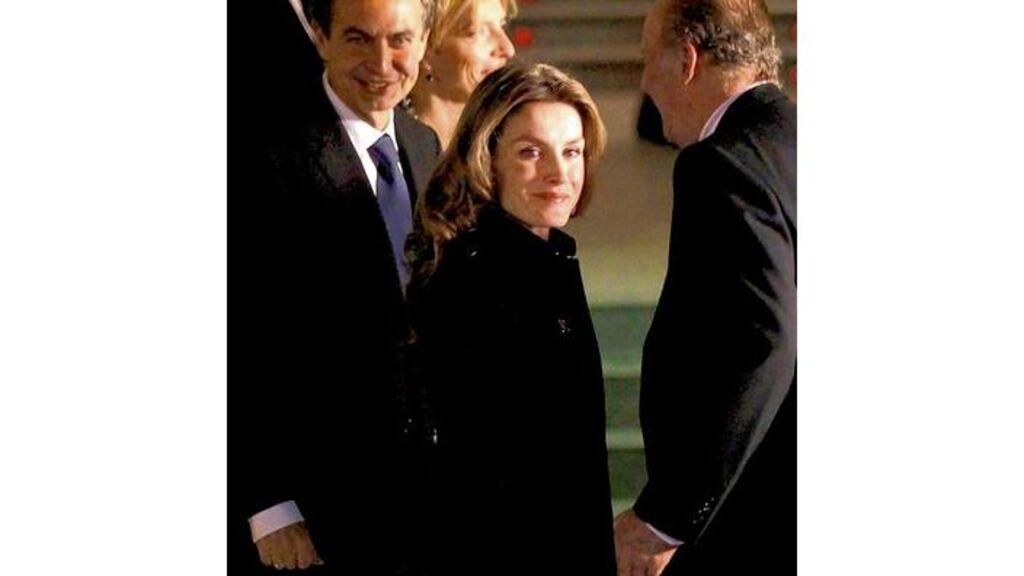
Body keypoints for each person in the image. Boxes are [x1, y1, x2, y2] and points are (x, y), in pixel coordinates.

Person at [230, 0, 441, 573]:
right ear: (321, 37)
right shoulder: (262, 163)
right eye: (358, 39)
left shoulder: (424, 148)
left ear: (424, 43)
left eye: (399, 39)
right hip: (316, 514)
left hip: (419, 502)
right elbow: (239, 338)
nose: (381, 61)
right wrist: (268, 503)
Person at [407, 62, 616, 576]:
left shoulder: (549, 257)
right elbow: (482, 481)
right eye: (530, 152)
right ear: (488, 159)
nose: (558, 174)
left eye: (571, 152)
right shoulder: (472, 277)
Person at [613, 1, 797, 575]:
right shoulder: (796, 140)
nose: (644, 82)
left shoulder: (721, 164)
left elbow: (764, 338)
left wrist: (667, 518)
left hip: (754, 515)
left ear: (687, 60)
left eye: (648, 61)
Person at [407, 0, 517, 149]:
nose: (508, 49)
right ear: (426, 49)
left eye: (502, 25)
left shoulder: (510, 140)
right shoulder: (389, 147)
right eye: (478, 32)